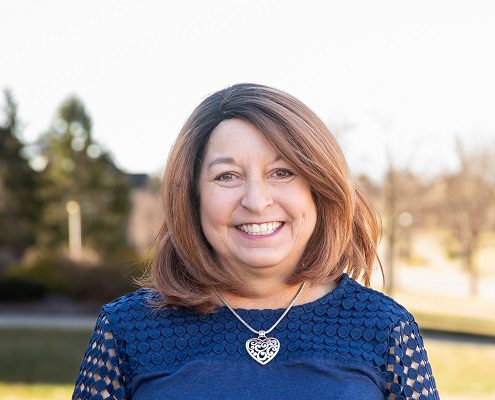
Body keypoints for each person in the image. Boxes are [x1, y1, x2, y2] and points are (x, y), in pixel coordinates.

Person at [72, 83, 439, 399]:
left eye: (282, 172)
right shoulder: (128, 329)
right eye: (227, 176)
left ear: (318, 188)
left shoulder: (383, 327)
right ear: (193, 197)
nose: (256, 200)